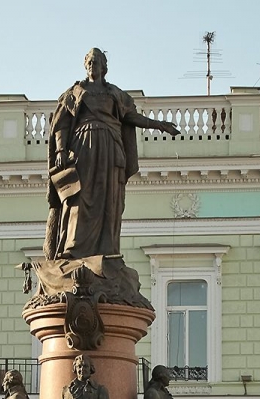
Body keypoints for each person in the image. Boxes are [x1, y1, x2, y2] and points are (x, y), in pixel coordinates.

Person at [44, 48, 180, 260]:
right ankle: (73, 247)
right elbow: (62, 123)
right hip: (83, 148)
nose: (92, 65)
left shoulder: (115, 94)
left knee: (109, 198)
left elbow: (132, 118)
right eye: (89, 62)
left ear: (104, 67)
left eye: (96, 62)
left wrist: (159, 125)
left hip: (110, 148)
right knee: (80, 195)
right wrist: (61, 149)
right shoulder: (75, 93)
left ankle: (107, 250)